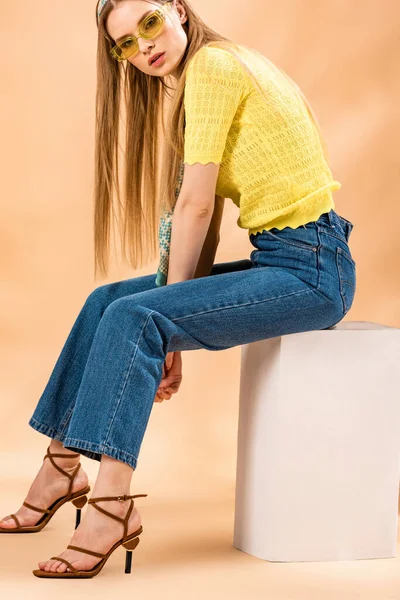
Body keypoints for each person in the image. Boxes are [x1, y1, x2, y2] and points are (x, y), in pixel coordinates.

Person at [0, 0, 357, 578]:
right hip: (285, 260)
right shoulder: (210, 70)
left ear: (178, 10)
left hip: (313, 271)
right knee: (108, 303)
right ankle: (63, 467)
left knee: (134, 317)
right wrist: (177, 317)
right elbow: (206, 214)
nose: (144, 48)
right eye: (125, 45)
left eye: (149, 23)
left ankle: (112, 505)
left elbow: (192, 209)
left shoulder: (214, 67)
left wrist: (167, 324)